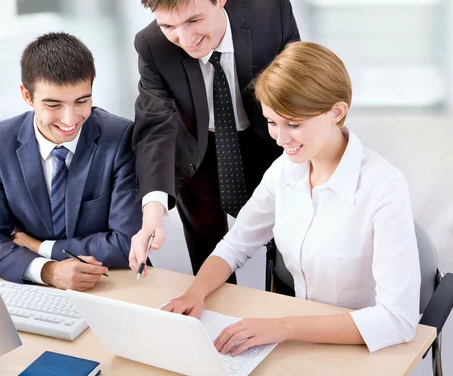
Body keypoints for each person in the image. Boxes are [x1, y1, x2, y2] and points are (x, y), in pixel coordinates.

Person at [161, 41, 421, 353]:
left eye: (294, 124)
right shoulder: (285, 170)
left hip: (360, 345)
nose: (281, 138)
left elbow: (397, 320)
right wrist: (195, 293)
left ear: (336, 112)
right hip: (301, 339)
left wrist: (283, 327)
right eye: (272, 122)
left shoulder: (383, 187)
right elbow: (235, 245)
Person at [129, 0, 300, 283]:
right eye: (169, 26)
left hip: (268, 137)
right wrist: (152, 213)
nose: (185, 37)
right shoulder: (152, 45)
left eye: (194, 19)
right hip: (199, 147)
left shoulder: (269, 8)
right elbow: (156, 125)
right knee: (207, 244)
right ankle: (217, 317)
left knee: (289, 239)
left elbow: (297, 85)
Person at [0, 32, 141, 291]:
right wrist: (48, 271)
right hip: (33, 287)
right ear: (27, 96)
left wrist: (42, 248)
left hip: (114, 284)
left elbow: (127, 243)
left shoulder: (120, 138)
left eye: (82, 101)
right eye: (54, 105)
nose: (70, 119)